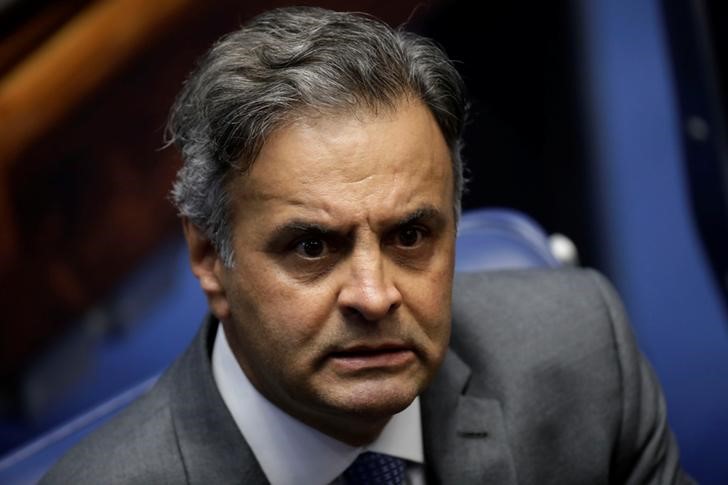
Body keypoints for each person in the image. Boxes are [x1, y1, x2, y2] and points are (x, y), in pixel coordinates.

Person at [42, 6, 693, 484]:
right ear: (211, 258)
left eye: (410, 235)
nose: (375, 294)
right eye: (314, 246)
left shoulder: (585, 354)